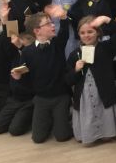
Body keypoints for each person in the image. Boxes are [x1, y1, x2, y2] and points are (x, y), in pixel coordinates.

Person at [14, 10, 73, 143]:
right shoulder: (27, 52)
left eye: (52, 22)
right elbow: (25, 77)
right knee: (38, 138)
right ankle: (52, 119)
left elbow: (64, 32)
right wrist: (18, 78)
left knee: (62, 136)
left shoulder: (57, 44)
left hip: (60, 96)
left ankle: (62, 118)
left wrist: (63, 18)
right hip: (41, 99)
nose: (53, 25)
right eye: (48, 23)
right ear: (37, 31)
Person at [65, 15, 116, 145]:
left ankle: (106, 131)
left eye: (90, 32)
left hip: (103, 94)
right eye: (82, 33)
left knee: (107, 137)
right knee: (85, 137)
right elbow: (68, 80)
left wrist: (107, 20)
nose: (86, 35)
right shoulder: (74, 54)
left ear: (98, 33)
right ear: (78, 35)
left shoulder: (106, 48)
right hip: (84, 97)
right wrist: (76, 70)